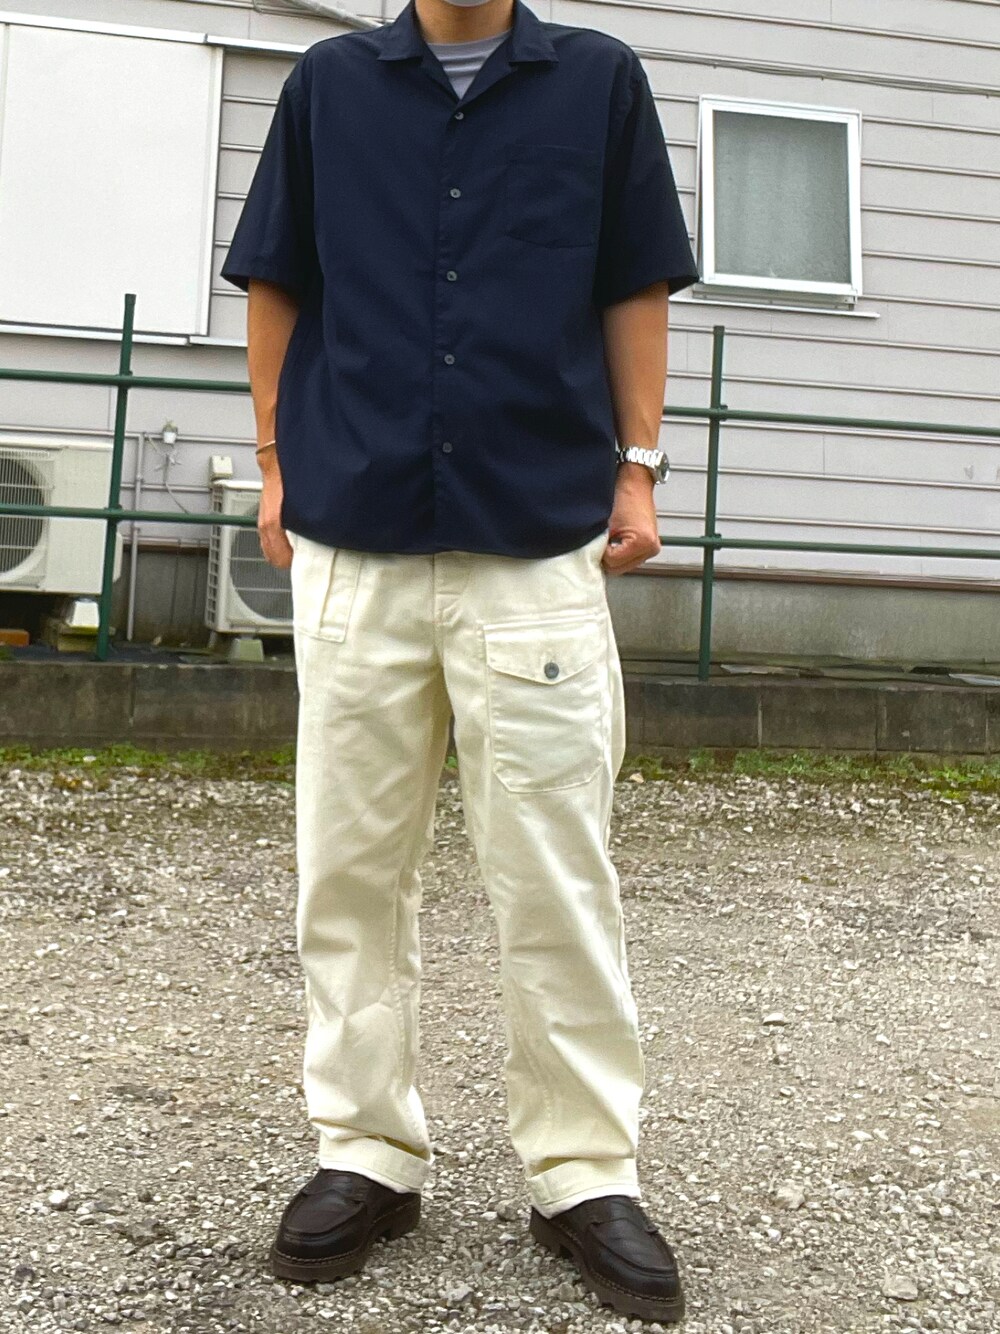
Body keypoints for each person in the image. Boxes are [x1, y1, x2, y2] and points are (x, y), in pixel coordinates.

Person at [221, 0, 699, 1322]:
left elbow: (634, 280)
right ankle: (365, 1150)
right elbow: (278, 279)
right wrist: (272, 460)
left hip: (534, 538)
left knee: (556, 872)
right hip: (355, 536)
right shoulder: (328, 88)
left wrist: (640, 468)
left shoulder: (598, 83)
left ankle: (584, 1170)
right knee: (348, 867)